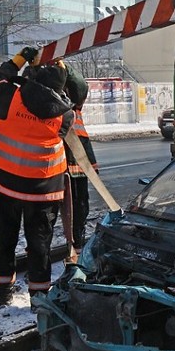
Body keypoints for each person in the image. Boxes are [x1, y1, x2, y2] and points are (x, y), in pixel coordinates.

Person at [0, 47, 75, 305]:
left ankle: (3, 293)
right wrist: (62, 70)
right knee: (39, 244)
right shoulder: (64, 114)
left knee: (5, 237)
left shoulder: (9, 96)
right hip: (43, 190)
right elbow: (74, 92)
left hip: (5, 183)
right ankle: (39, 297)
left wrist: (18, 61)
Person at [61, 68, 97, 263]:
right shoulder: (54, 104)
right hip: (64, 166)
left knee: (79, 207)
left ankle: (76, 247)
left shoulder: (73, 106)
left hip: (78, 165)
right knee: (69, 209)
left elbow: (80, 87)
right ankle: (73, 248)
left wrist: (64, 68)